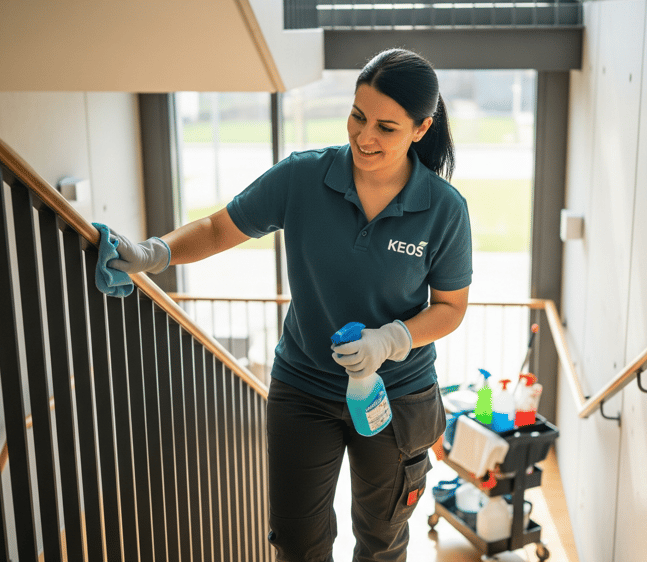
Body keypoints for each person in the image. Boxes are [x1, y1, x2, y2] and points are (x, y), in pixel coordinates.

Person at [104, 48, 473, 562]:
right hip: (305, 391)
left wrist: (391, 339)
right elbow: (217, 228)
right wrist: (155, 252)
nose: (365, 137)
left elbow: (451, 307)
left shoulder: (444, 209)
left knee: (382, 540)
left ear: (420, 128)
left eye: (387, 128)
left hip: (398, 397)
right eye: (358, 116)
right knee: (298, 544)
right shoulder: (303, 178)